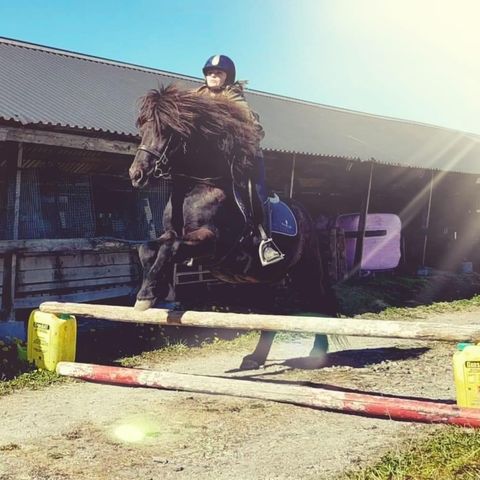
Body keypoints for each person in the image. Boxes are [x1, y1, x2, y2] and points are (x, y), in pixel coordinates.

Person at [196, 54, 284, 266]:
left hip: (245, 156)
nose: (213, 76)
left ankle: (265, 239)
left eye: (218, 73)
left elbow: (253, 127)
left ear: (227, 77)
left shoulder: (235, 98)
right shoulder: (196, 96)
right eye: (210, 73)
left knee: (257, 191)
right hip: (210, 160)